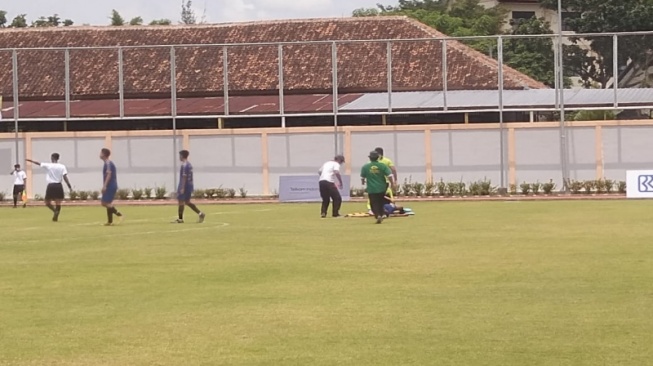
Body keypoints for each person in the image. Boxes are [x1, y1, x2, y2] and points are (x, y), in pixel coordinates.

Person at [26, 153, 72, 222]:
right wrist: (69, 186)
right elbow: (65, 177)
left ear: (52, 158)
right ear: (58, 158)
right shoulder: (62, 166)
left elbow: (38, 163)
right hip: (58, 185)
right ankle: (56, 213)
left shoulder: (49, 165)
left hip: (51, 185)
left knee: (47, 202)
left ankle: (54, 211)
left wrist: (30, 160)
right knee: (58, 202)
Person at [361, 151, 395, 224]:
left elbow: (362, 177)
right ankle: (382, 213)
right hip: (382, 187)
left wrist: (363, 182)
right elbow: (390, 175)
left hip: (371, 188)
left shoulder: (365, 167)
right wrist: (392, 184)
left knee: (373, 203)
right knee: (380, 202)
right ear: (378, 157)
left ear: (370, 158)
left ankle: (378, 215)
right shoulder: (382, 166)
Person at [173, 150, 205, 224]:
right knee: (187, 202)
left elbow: (184, 177)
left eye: (180, 155)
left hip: (185, 185)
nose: (179, 157)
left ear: (182, 156)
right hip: (190, 185)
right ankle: (200, 213)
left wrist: (182, 187)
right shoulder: (189, 164)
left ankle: (180, 219)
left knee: (180, 201)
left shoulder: (184, 165)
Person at [367, 147, 398, 214]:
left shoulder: (385, 161)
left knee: (376, 195)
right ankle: (376, 209)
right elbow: (393, 170)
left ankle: (379, 210)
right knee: (375, 196)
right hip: (379, 182)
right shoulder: (385, 161)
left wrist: (394, 180)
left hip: (382, 182)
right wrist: (394, 180)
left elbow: (393, 170)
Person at [100, 148, 123, 226]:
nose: (99, 154)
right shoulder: (107, 163)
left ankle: (119, 214)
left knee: (104, 203)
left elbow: (109, 174)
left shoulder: (108, 163)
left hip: (110, 185)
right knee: (108, 203)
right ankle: (110, 221)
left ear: (104, 154)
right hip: (111, 185)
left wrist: (105, 186)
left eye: (101, 153)